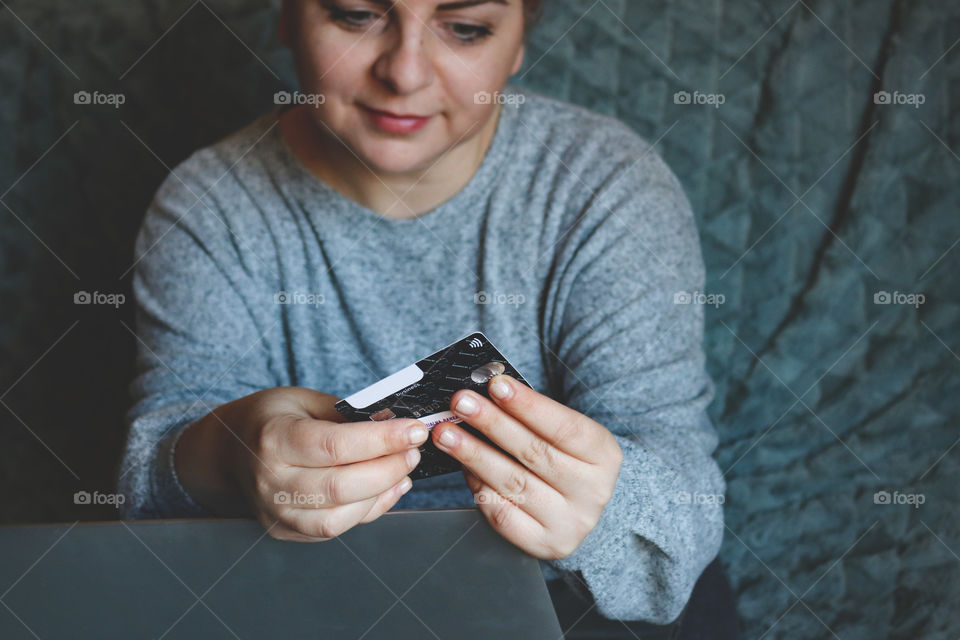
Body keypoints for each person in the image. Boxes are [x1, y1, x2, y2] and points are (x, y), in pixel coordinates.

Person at [117, 0, 738, 636]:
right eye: (357, 15)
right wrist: (231, 448)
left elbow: (682, 525)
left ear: (521, 40)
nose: (406, 73)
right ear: (286, 16)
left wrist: (608, 513)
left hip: (570, 602)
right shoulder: (210, 206)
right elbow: (147, 493)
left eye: (465, 29)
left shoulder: (606, 189)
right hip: (312, 598)